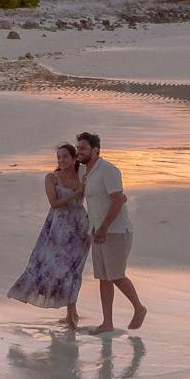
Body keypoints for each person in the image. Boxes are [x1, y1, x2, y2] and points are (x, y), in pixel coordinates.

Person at [5, 143, 91, 328]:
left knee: (74, 271)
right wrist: (76, 193)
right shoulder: (52, 178)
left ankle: (71, 313)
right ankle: (67, 310)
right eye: (59, 157)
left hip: (79, 228)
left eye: (65, 157)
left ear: (74, 158)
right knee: (52, 266)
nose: (61, 160)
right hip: (58, 229)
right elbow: (54, 203)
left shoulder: (83, 175)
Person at [74, 131, 147, 333]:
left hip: (115, 230)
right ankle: (107, 322)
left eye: (83, 148)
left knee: (116, 276)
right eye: (78, 148)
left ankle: (139, 308)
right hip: (98, 231)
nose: (79, 151)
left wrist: (105, 227)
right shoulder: (85, 172)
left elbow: (117, 199)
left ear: (95, 151)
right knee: (103, 277)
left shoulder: (108, 170)